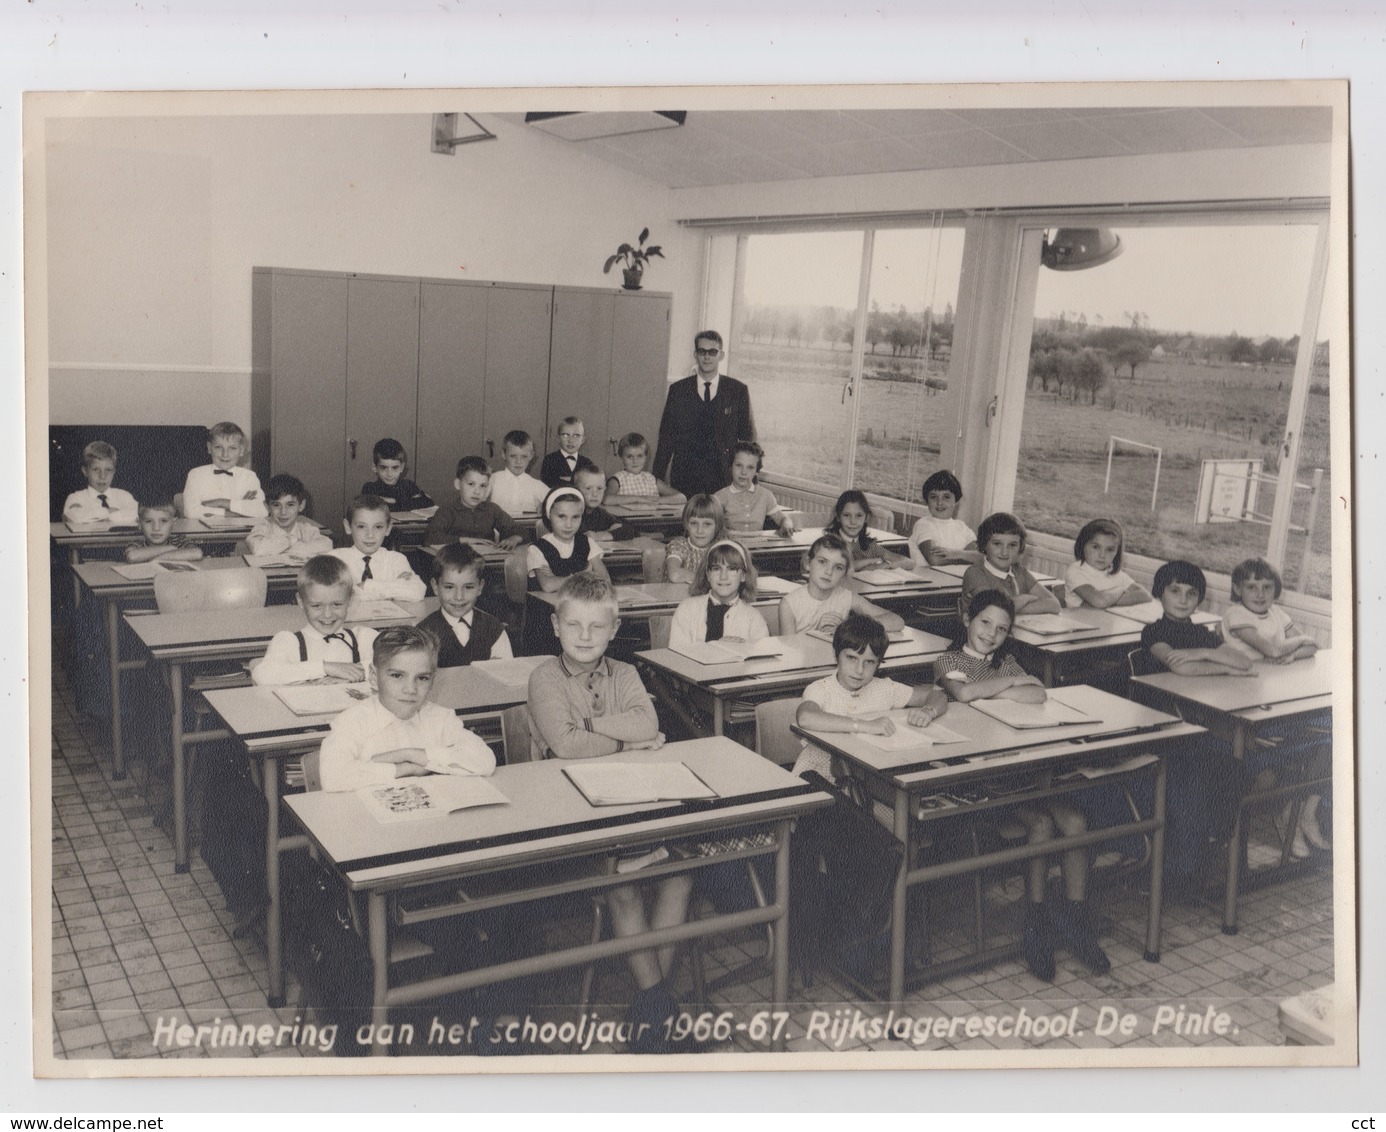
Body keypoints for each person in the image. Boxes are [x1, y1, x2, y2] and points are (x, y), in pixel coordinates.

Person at [525, 574, 689, 1050]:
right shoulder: (544, 678)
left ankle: (650, 1007)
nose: (584, 636)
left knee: (680, 875)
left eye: (597, 627)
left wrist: (593, 726)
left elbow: (649, 721)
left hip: (632, 798)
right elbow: (565, 743)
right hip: (566, 813)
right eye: (573, 625)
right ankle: (660, 1011)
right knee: (623, 885)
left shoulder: (627, 673)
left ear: (614, 629)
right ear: (555, 626)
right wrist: (625, 736)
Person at [935, 589, 1110, 980]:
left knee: (1076, 821)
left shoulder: (1007, 659)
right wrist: (1006, 685)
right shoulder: (947, 659)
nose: (991, 634)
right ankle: (1036, 922)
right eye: (984, 623)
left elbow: (1037, 693)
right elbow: (961, 692)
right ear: (967, 618)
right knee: (1042, 825)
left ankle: (1076, 919)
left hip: (1021, 766)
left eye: (1002, 629)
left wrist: (997, 687)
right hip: (981, 774)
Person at [1225, 557, 1327, 857]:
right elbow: (1269, 648)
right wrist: (1300, 642)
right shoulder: (1235, 615)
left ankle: (1303, 813)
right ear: (1237, 589)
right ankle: (1279, 814)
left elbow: (1312, 649)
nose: (1259, 594)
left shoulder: (1277, 614)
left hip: (1278, 696)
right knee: (1282, 755)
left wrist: (1292, 655)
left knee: (1328, 740)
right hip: (1243, 703)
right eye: (1251, 587)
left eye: (1267, 587)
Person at [317, 623, 495, 792]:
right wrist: (403, 769)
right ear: (373, 676)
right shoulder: (352, 722)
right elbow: (332, 777)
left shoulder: (441, 718)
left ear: (433, 679)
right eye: (397, 675)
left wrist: (409, 754)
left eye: (422, 678)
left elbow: (485, 761)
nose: (410, 689)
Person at [792, 613, 948, 782]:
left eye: (869, 662)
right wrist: (865, 725)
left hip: (868, 773)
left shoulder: (884, 688)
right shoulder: (821, 689)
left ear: (878, 663)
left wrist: (928, 711)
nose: (859, 670)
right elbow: (806, 717)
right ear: (836, 655)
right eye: (852, 658)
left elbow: (936, 694)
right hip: (822, 772)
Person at [653, 330, 757, 498]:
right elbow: (666, 440)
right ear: (695, 355)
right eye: (702, 351)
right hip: (685, 480)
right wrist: (655, 481)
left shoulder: (737, 391)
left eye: (712, 352)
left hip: (724, 480)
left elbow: (749, 440)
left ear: (721, 355)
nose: (707, 357)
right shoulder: (678, 391)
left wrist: (752, 482)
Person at [252, 555, 377, 686]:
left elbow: (396, 662)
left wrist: (354, 674)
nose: (327, 614)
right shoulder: (289, 641)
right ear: (301, 602)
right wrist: (326, 668)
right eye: (316, 606)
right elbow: (262, 675)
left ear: (350, 600)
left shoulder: (362, 637)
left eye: (337, 604)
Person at [779, 533, 904, 636]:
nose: (829, 572)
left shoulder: (847, 597)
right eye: (822, 562)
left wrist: (850, 627)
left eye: (838, 567)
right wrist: (817, 633)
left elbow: (897, 621)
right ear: (807, 563)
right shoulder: (789, 604)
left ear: (844, 573)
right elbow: (790, 653)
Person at [415, 543, 514, 667]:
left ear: (480, 587)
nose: (459, 597)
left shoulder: (494, 629)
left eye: (468, 587)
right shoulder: (424, 633)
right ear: (435, 587)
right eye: (449, 587)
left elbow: (505, 673)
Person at [668, 539, 769, 650]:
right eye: (716, 569)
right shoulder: (687, 609)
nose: (723, 576)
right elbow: (677, 656)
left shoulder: (753, 617)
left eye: (732, 569)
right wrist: (716, 647)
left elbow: (761, 660)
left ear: (744, 576)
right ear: (707, 574)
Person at [960, 512, 1060, 616]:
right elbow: (994, 611)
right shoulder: (975, 573)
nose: (1004, 552)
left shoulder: (1020, 572)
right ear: (984, 545)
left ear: (1020, 548)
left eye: (1012, 545)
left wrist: (1012, 608)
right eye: (997, 544)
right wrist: (1026, 598)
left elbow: (1054, 605)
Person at [330, 494, 427, 602]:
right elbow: (335, 596)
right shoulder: (335, 560)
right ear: (348, 527)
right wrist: (393, 587)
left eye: (378, 527)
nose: (370, 535)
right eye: (361, 526)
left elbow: (417, 591)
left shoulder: (396, 559)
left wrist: (366, 586)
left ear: (388, 528)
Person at [424, 456, 524, 550]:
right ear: (458, 484)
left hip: (486, 562)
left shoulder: (492, 509)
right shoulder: (447, 510)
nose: (477, 491)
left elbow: (521, 530)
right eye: (471, 484)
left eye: (483, 486)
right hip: (456, 564)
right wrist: (467, 541)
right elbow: (430, 537)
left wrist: (514, 538)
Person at [525, 486, 610, 593]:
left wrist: (560, 579)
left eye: (575, 517)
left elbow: (605, 580)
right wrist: (585, 576)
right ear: (549, 515)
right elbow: (548, 585)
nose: (569, 525)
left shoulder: (587, 542)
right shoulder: (537, 549)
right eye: (561, 516)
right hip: (550, 607)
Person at [181, 421, 267, 520]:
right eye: (218, 447)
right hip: (204, 534)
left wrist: (221, 502)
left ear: (241, 450)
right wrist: (239, 511)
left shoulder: (249, 477)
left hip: (241, 534)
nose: (225, 454)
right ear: (209, 448)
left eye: (232, 448)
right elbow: (191, 512)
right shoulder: (196, 474)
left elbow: (262, 510)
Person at [1063, 518, 1151, 609]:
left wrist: (1109, 600)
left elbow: (1145, 595)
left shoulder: (1118, 575)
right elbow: (1100, 601)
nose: (1102, 555)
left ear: (1117, 552)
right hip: (1076, 622)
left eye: (1110, 550)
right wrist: (1122, 590)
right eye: (1096, 547)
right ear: (1082, 545)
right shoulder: (1076, 571)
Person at [713, 441, 795, 536]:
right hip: (731, 548)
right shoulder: (719, 497)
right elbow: (712, 527)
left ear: (757, 471)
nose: (744, 472)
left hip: (758, 547)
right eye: (739, 465)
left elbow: (782, 518)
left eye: (750, 467)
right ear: (731, 467)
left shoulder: (765, 495)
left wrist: (787, 524)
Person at [246, 473, 334, 561]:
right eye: (276, 505)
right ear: (267, 506)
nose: (283, 512)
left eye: (290, 505)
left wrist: (291, 549)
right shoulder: (262, 528)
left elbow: (327, 544)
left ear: (301, 505)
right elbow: (258, 548)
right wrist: (291, 541)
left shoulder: (306, 530)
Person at [907, 470, 980, 569]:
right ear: (926, 501)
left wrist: (953, 555)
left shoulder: (962, 527)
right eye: (933, 497)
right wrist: (963, 555)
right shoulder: (923, 524)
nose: (939, 502)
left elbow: (979, 556)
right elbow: (934, 560)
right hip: (929, 580)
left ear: (956, 501)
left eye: (946, 497)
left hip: (956, 579)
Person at [826, 489, 909, 572]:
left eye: (859, 516)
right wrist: (870, 562)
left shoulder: (869, 546)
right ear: (838, 517)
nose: (853, 522)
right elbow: (847, 567)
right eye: (847, 515)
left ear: (867, 517)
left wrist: (887, 565)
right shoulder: (831, 543)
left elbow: (908, 562)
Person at [62, 440, 139, 526]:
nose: (102, 476)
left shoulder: (124, 496)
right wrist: (109, 512)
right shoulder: (76, 498)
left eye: (108, 470)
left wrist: (94, 516)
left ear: (114, 471)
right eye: (96, 469)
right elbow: (74, 516)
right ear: (85, 471)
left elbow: (138, 513)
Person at [664, 495, 726, 585]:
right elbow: (675, 575)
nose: (699, 531)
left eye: (707, 524)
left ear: (717, 526)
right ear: (686, 524)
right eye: (694, 523)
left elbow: (749, 574)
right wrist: (712, 578)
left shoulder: (722, 547)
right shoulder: (679, 545)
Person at [360, 438, 434, 513]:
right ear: (374, 468)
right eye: (383, 468)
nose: (389, 474)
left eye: (395, 468)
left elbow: (429, 502)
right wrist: (406, 502)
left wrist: (394, 501)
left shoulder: (408, 485)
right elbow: (376, 508)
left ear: (402, 467)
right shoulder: (370, 488)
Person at [605, 432, 683, 502]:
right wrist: (638, 499)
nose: (635, 461)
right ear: (621, 457)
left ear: (646, 457)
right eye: (629, 456)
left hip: (650, 517)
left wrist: (657, 500)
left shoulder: (651, 479)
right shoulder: (617, 479)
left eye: (640, 456)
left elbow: (681, 497)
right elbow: (607, 499)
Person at [488, 430, 548, 517]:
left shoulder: (537, 485)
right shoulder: (493, 480)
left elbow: (557, 501)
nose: (518, 462)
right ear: (503, 454)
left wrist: (545, 505)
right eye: (513, 456)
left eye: (524, 456)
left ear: (531, 456)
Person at [123, 499, 204, 565]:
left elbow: (197, 553)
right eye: (148, 521)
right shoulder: (136, 544)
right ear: (139, 524)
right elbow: (132, 556)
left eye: (164, 521)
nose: (156, 528)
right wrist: (171, 548)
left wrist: (156, 560)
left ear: (174, 522)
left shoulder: (180, 540)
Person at [574, 466, 638, 542]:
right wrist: (610, 531)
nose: (595, 494)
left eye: (599, 488)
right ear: (576, 489)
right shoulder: (573, 513)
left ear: (605, 489)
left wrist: (601, 535)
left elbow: (628, 529)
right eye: (588, 488)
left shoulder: (599, 512)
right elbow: (581, 536)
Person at [539, 417, 599, 489]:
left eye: (576, 436)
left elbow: (590, 486)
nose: (570, 440)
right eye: (565, 435)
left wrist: (567, 480)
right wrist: (576, 481)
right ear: (558, 438)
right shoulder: (549, 460)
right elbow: (549, 484)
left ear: (583, 440)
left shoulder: (587, 463)